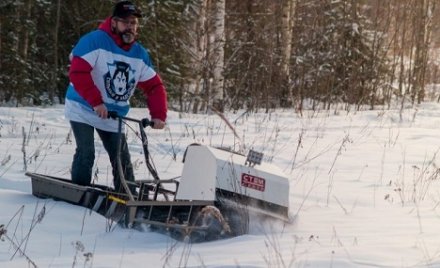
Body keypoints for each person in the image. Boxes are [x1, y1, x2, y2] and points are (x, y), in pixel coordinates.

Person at [64, 1, 167, 193]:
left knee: (121, 159)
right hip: (83, 107)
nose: (130, 27)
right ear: (114, 23)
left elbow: (154, 86)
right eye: (125, 22)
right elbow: (78, 73)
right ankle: (77, 196)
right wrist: (96, 102)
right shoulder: (95, 41)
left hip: (113, 114)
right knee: (86, 152)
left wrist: (159, 115)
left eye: (134, 23)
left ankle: (128, 198)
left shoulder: (139, 54)